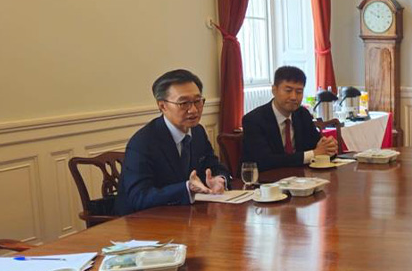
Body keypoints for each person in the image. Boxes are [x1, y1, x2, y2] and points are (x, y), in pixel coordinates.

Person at [115, 70, 230, 215]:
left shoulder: (198, 132)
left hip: (186, 218)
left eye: (197, 101)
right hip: (144, 224)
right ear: (162, 106)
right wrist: (186, 188)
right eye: (184, 103)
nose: (194, 110)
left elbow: (214, 166)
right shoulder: (143, 142)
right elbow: (139, 197)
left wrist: (219, 180)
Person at [242, 66, 338, 171]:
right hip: (266, 182)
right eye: (288, 90)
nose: (293, 97)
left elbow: (318, 146)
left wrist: (329, 148)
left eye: (299, 92)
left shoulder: (302, 114)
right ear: (274, 90)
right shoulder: (254, 120)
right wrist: (314, 154)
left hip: (301, 180)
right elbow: (265, 161)